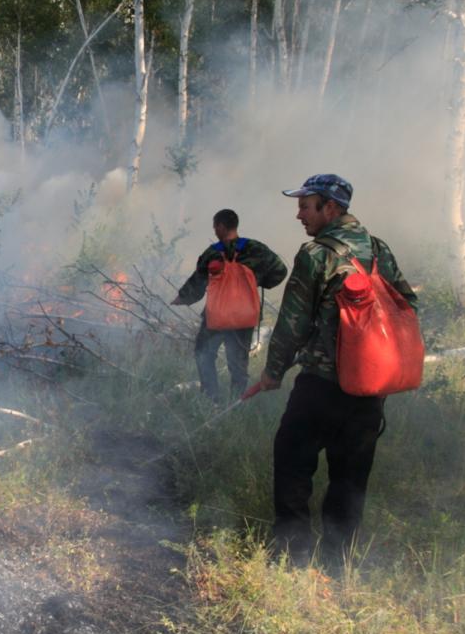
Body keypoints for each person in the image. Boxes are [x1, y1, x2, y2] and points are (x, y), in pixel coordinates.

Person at [259, 173, 417, 565]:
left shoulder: (315, 255)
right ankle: (337, 563)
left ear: (330, 208)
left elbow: (292, 322)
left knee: (293, 461)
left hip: (321, 386)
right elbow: (407, 303)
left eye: (305, 205)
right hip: (369, 389)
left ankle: (293, 557)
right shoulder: (379, 249)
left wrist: (273, 372)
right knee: (350, 478)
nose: (298, 214)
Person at [173, 209, 288, 403]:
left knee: (204, 354)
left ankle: (211, 399)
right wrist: (257, 282)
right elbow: (280, 271)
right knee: (238, 363)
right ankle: (236, 404)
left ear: (220, 226)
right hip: (244, 317)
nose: (215, 230)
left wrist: (182, 298)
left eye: (215, 226)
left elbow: (198, 282)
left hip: (216, 317)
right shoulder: (256, 249)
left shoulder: (213, 252)